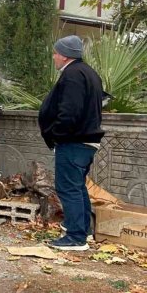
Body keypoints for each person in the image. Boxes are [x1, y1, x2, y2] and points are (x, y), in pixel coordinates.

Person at [39, 35, 104, 251]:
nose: (54, 56)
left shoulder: (73, 75)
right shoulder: (88, 72)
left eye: (56, 52)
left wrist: (57, 134)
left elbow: (70, 111)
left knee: (68, 187)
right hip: (85, 141)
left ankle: (76, 238)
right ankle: (82, 231)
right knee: (77, 187)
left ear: (64, 55)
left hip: (74, 141)